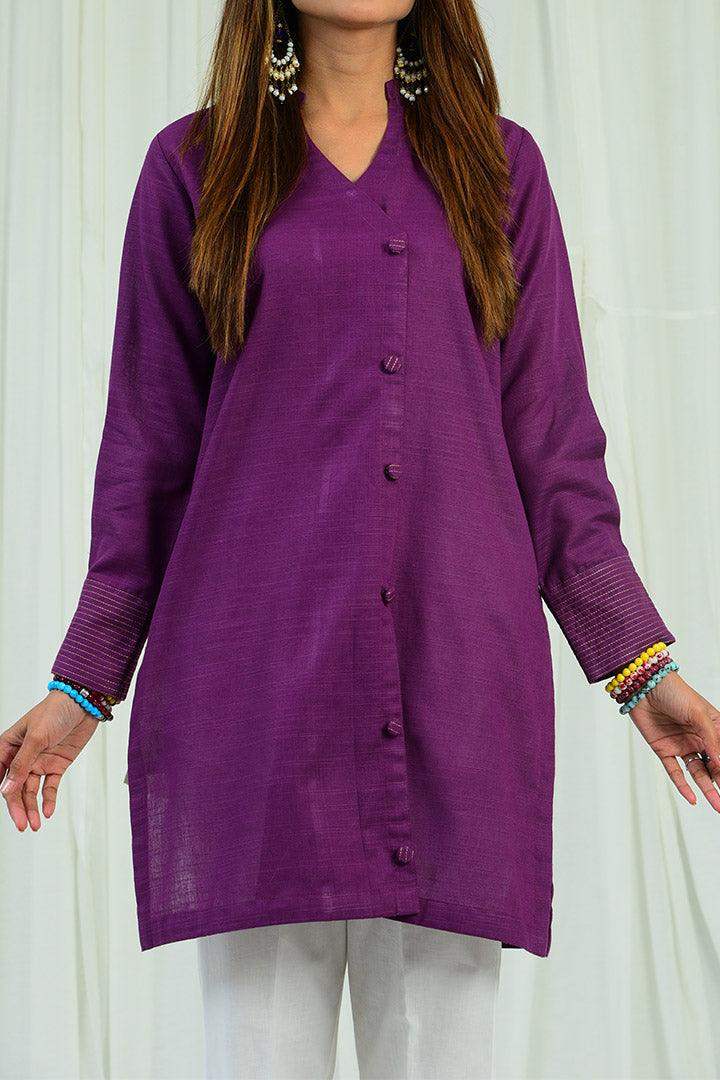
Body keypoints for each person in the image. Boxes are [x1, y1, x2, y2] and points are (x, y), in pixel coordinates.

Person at [2, 2, 719, 1078]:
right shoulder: (194, 168)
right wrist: (84, 683)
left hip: (455, 695)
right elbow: (147, 454)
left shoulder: (497, 168)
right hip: (252, 704)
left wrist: (642, 670)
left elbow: (555, 451)